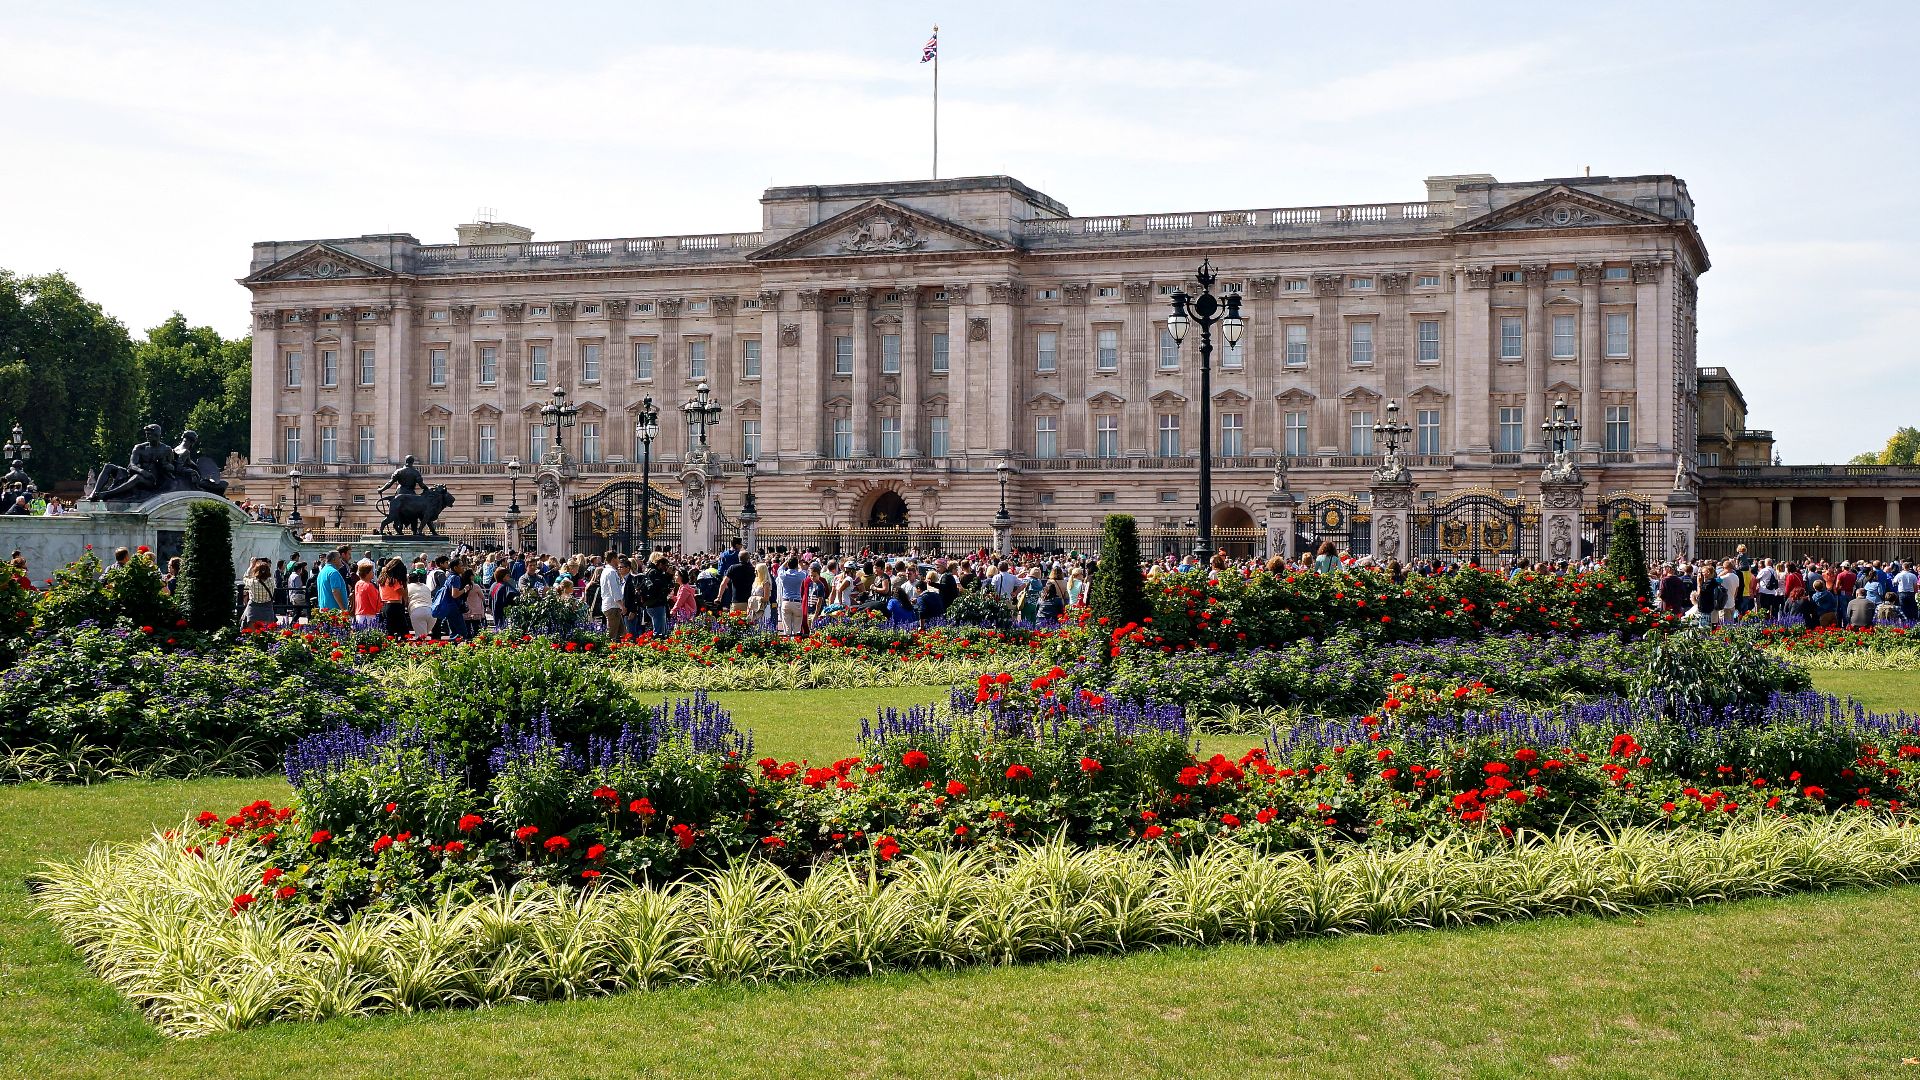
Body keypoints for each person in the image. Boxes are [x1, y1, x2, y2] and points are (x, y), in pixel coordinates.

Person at [643, 553, 675, 636]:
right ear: (660, 564)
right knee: (659, 631)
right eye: (665, 565)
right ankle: (657, 645)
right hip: (656, 603)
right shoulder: (654, 573)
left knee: (662, 629)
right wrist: (668, 575)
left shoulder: (651, 571)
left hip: (654, 603)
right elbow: (661, 587)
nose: (666, 568)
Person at [777, 555, 809, 636]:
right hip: (797, 602)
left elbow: (780, 569)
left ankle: (787, 643)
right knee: (797, 628)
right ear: (796, 565)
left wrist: (786, 561)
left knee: (787, 629)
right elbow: (804, 571)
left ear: (788, 565)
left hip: (786, 601)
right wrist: (800, 564)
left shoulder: (784, 575)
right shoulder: (800, 575)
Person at [598, 553, 628, 638]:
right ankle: (608, 649)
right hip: (612, 606)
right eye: (617, 558)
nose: (618, 561)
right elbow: (614, 590)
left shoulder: (606, 571)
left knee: (622, 633)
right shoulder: (611, 572)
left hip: (612, 606)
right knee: (612, 635)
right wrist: (621, 605)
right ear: (613, 559)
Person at [379, 558, 410, 636]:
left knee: (390, 632)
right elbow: (404, 594)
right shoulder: (394, 581)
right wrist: (405, 584)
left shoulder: (383, 579)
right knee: (404, 633)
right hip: (395, 606)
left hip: (385, 605)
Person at [241, 561, 276, 627]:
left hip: (253, 609)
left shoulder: (253, 582)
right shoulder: (271, 581)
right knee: (267, 632)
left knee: (252, 632)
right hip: (267, 608)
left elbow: (245, 578)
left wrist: (251, 566)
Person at [352, 561, 382, 630]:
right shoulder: (369, 586)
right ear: (367, 573)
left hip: (359, 614)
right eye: (371, 571)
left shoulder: (358, 584)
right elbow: (375, 602)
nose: (373, 573)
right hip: (369, 615)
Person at [407, 569, 435, 637]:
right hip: (431, 612)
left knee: (421, 638)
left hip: (417, 610)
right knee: (424, 636)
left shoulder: (408, 587)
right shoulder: (426, 587)